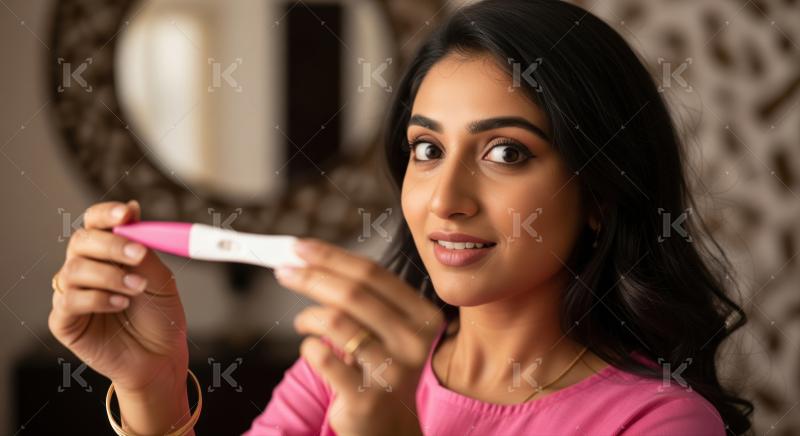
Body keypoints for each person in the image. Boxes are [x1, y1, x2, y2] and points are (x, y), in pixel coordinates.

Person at [48, 0, 754, 434]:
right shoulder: (346, 366)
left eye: (506, 152)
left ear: (599, 195)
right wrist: (152, 387)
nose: (445, 200)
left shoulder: (658, 424)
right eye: (426, 148)